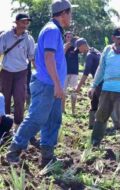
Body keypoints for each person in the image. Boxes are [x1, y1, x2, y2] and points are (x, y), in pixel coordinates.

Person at [6, 0, 72, 166]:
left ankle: (47, 157)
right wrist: (57, 84)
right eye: (70, 13)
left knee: (53, 120)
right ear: (63, 13)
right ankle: (13, 151)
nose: (71, 17)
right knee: (36, 118)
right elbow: (49, 58)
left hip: (52, 84)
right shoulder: (52, 30)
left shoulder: (55, 30)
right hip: (46, 84)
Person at [88, 26, 120, 161]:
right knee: (100, 116)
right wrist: (94, 85)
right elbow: (101, 68)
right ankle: (94, 144)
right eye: (119, 39)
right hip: (106, 89)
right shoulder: (107, 50)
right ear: (113, 38)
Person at [0, 13, 35, 128]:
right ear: (16, 22)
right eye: (23, 21)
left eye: (27, 22)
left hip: (21, 72)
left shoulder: (29, 39)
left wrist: (38, 72)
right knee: (4, 98)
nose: (25, 24)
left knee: (20, 98)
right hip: (6, 72)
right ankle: (5, 126)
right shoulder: (5, 36)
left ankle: (18, 125)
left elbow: (31, 57)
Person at [75, 38, 102, 129]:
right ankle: (92, 125)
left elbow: (86, 73)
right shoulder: (96, 52)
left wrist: (78, 87)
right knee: (96, 101)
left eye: (79, 48)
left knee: (99, 103)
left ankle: (96, 125)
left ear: (82, 46)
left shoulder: (90, 55)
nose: (79, 51)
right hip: (103, 81)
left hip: (100, 82)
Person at [62, 31, 79, 115]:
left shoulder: (76, 48)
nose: (69, 38)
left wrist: (77, 40)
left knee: (74, 92)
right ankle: (62, 110)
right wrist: (66, 47)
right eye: (68, 37)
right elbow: (61, 55)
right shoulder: (62, 47)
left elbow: (84, 48)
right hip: (64, 72)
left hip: (74, 72)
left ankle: (73, 111)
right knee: (63, 92)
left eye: (71, 37)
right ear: (65, 38)